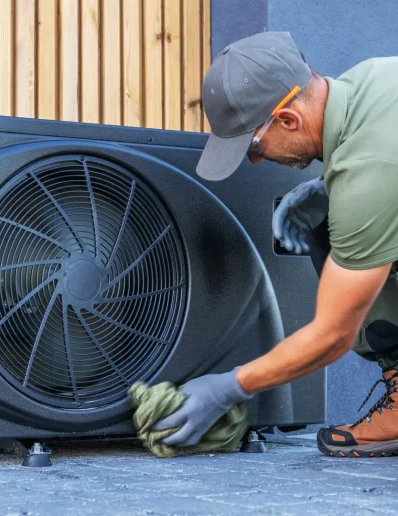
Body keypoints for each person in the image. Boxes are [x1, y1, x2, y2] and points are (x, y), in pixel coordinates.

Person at [153, 31, 398, 458]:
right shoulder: (370, 79)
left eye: (253, 145)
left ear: (288, 119)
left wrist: (229, 387)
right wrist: (327, 186)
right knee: (329, 223)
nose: (255, 160)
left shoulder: (371, 170)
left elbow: (334, 335)